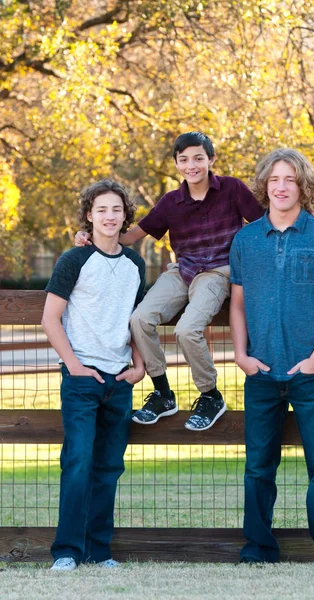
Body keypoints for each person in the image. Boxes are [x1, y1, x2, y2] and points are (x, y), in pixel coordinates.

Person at [75, 132, 314, 431]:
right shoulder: (171, 202)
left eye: (198, 158)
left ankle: (210, 395)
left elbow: (269, 216)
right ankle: (162, 392)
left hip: (219, 272)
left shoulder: (232, 189)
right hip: (182, 270)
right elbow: (132, 236)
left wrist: (309, 213)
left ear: (211, 160)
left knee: (187, 329)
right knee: (139, 318)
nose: (192, 165)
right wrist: (90, 236)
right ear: (176, 164)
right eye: (184, 159)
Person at [229, 148, 314, 564]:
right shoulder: (246, 240)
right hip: (261, 373)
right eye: (275, 180)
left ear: (303, 186)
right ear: (265, 185)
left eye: (291, 180)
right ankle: (258, 549)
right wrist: (242, 355)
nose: (282, 187)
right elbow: (238, 305)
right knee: (258, 468)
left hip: (311, 371)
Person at [42, 179, 146, 571]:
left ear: (125, 216)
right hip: (82, 379)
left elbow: (136, 321)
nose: (109, 216)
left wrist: (138, 366)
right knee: (79, 462)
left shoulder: (135, 264)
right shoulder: (74, 259)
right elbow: (50, 319)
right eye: (101, 209)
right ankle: (66, 551)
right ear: (89, 214)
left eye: (116, 209)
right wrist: (74, 367)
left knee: (108, 468)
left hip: (119, 381)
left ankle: (98, 551)